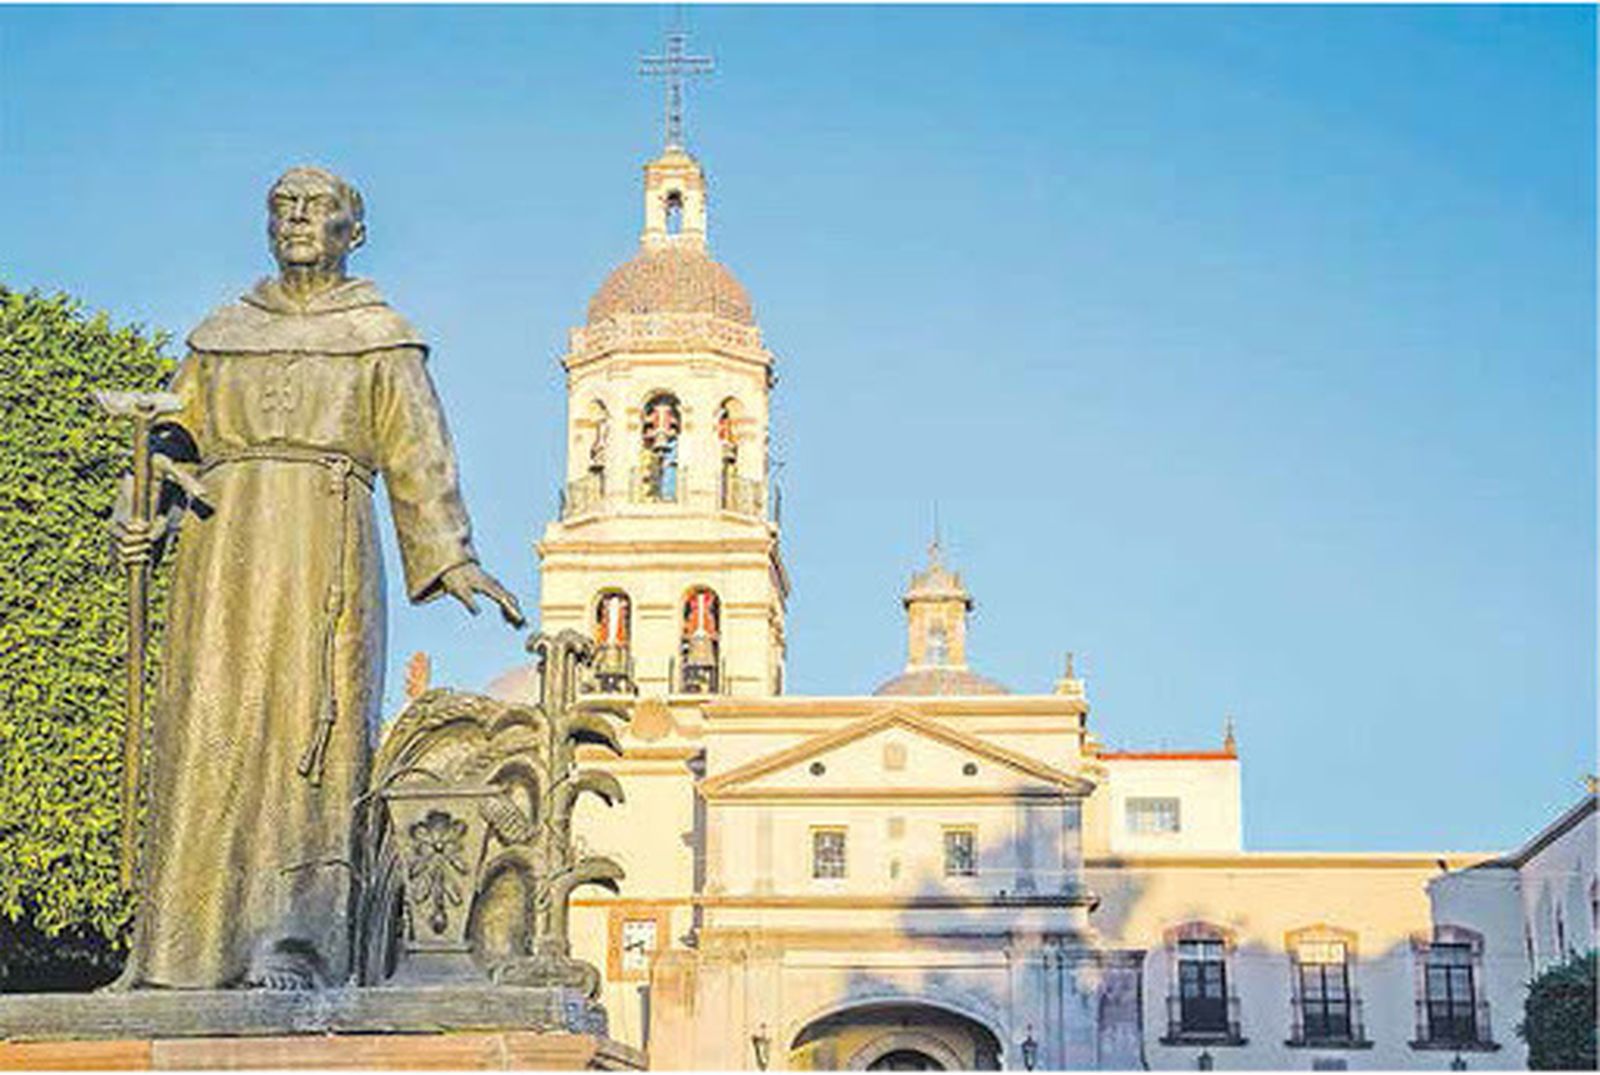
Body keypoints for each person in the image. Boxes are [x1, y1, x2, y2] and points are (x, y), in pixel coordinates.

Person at [115, 165, 523, 990]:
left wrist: (452, 554)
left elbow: (418, 451)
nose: (299, 218)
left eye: (318, 207)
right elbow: (166, 444)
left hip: (322, 546)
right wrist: (141, 511)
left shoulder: (379, 335)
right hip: (219, 551)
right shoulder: (220, 333)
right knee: (206, 728)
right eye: (283, 206)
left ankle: (294, 943)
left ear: (354, 229)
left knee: (310, 737)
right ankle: (180, 953)